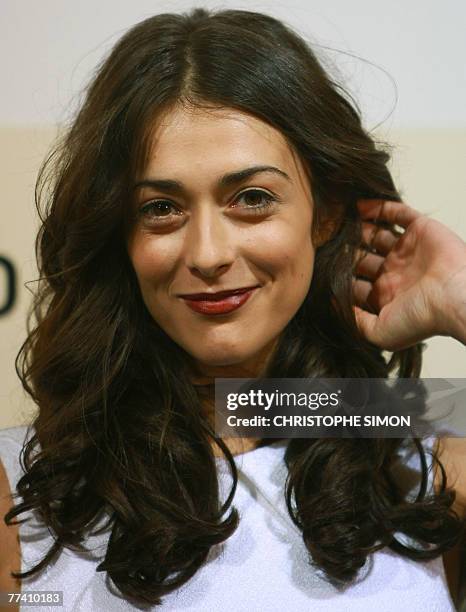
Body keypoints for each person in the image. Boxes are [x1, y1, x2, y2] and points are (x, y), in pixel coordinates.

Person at [0, 6, 465, 611]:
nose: (208, 253)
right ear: (119, 233)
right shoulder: (22, 488)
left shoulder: (425, 463)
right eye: (161, 208)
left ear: (325, 213)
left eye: (251, 198)